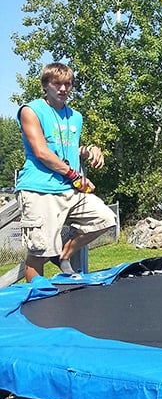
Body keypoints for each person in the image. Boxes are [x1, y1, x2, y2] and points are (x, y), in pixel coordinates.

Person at [15, 62, 117, 282]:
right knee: (38, 253)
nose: (63, 89)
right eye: (57, 84)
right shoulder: (31, 111)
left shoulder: (75, 117)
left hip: (69, 190)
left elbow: (66, 149)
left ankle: (64, 255)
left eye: (68, 84)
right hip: (39, 189)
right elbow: (42, 152)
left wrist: (89, 150)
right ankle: (37, 302)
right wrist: (75, 177)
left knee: (106, 218)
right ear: (46, 85)